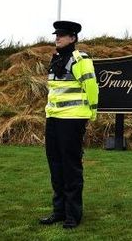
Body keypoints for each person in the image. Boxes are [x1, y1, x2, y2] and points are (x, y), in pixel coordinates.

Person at [39, 20, 99, 229]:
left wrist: (92, 112)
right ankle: (59, 211)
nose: (57, 38)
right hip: (53, 119)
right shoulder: (55, 59)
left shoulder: (81, 59)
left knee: (71, 167)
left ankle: (73, 215)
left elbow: (91, 87)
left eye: (62, 35)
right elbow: (54, 92)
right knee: (55, 166)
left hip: (72, 120)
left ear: (73, 38)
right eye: (56, 35)